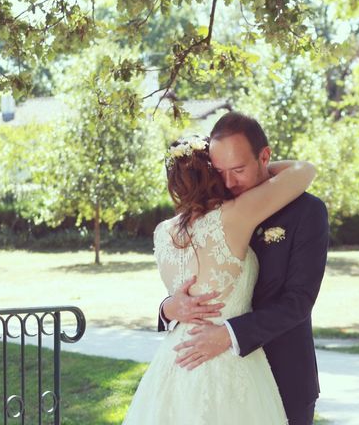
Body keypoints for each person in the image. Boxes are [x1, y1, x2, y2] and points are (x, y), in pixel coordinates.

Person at [123, 132, 317, 424]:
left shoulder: (162, 232)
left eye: (236, 168)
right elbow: (305, 170)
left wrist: (172, 309)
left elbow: (297, 301)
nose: (230, 178)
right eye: (222, 169)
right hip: (235, 371)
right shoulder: (237, 214)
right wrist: (168, 308)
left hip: (179, 363)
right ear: (212, 172)